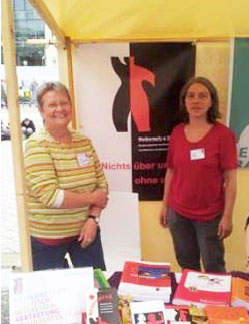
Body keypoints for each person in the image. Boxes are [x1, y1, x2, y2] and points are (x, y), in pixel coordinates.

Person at [24, 81, 108, 271]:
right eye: (52, 105)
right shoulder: (36, 145)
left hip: (86, 233)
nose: (60, 109)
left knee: (96, 291)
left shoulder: (83, 141)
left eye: (64, 103)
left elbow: (102, 185)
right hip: (47, 240)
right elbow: (51, 197)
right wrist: (92, 198)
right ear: (41, 110)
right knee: (53, 298)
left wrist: (93, 219)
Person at [159, 76, 237, 273]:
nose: (196, 101)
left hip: (210, 217)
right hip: (178, 215)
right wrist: (165, 206)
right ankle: (191, 303)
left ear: (211, 101)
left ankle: (215, 305)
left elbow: (231, 180)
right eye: (191, 96)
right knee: (187, 266)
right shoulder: (177, 132)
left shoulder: (223, 135)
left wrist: (227, 216)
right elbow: (171, 171)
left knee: (214, 268)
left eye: (203, 96)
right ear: (184, 101)